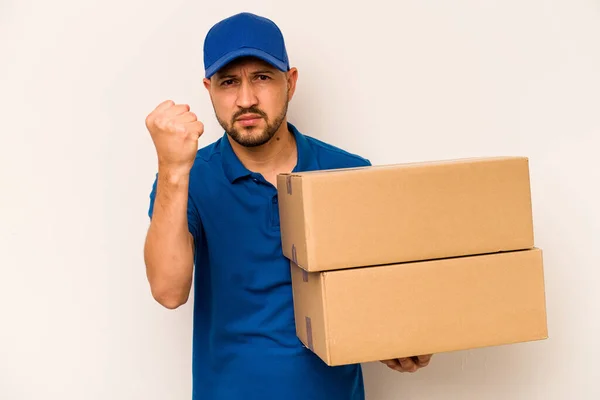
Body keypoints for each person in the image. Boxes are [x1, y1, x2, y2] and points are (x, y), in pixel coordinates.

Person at [143, 11, 432, 400]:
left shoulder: (348, 171)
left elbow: (373, 294)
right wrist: (172, 171)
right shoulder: (189, 180)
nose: (246, 99)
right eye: (229, 82)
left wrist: (397, 341)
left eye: (262, 77)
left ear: (290, 83)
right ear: (209, 89)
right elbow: (168, 291)